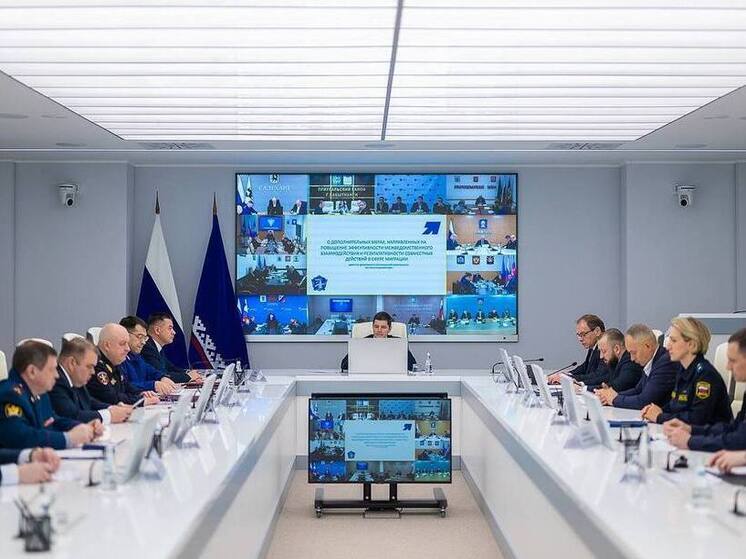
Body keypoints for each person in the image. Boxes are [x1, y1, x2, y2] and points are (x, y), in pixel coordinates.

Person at [0, 341, 95, 450]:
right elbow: (21, 437)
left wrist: (83, 428)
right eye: (52, 369)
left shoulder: (40, 393)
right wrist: (68, 438)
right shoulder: (10, 395)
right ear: (32, 371)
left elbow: (54, 420)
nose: (57, 375)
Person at [664, 328, 746, 451]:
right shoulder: (682, 370)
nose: (728, 367)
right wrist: (691, 429)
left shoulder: (706, 374)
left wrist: (690, 441)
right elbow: (734, 428)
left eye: (733, 361)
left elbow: (740, 440)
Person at [640, 317, 731, 425]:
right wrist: (655, 411)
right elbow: (675, 406)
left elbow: (697, 419)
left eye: (674, 340)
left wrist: (660, 417)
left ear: (691, 345)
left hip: (712, 434)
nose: (668, 346)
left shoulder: (705, 375)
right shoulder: (683, 370)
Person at [50, 337, 132, 424]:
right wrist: (110, 415)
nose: (93, 372)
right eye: (89, 367)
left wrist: (112, 408)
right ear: (72, 363)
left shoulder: (75, 379)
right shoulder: (55, 382)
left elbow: (88, 401)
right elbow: (71, 416)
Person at [596, 324, 677, 409]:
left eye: (633, 353)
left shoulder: (665, 363)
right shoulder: (651, 361)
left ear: (647, 346)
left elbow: (644, 401)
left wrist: (614, 399)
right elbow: (638, 390)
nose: (632, 358)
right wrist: (609, 396)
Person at [88, 323, 160, 406]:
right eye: (122, 344)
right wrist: (141, 401)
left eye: (127, 343)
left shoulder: (113, 361)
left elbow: (126, 386)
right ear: (107, 345)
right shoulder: (95, 364)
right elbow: (111, 397)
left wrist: (141, 393)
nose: (128, 349)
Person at [119, 316, 178, 395]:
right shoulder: (118, 358)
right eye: (140, 337)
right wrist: (153, 385)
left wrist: (162, 377)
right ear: (125, 335)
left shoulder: (136, 356)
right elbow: (124, 386)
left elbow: (151, 371)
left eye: (145, 338)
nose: (143, 342)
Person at [340, 312, 416, 371]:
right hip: (367, 379)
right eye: (376, 327)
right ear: (372, 327)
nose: (379, 330)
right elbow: (344, 366)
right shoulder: (362, 342)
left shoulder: (399, 343)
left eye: (383, 327)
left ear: (389, 329)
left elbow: (412, 365)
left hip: (392, 379)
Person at [141, 313, 202, 384]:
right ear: (157, 330)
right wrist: (188, 377)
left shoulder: (156, 346)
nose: (174, 332)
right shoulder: (147, 347)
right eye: (170, 328)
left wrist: (188, 372)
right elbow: (161, 375)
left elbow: (171, 368)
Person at [548, 314, 606, 384]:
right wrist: (566, 375)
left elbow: (598, 376)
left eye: (583, 334)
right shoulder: (593, 346)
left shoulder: (606, 348)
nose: (580, 339)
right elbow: (585, 367)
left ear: (597, 331)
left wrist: (569, 378)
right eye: (579, 335)